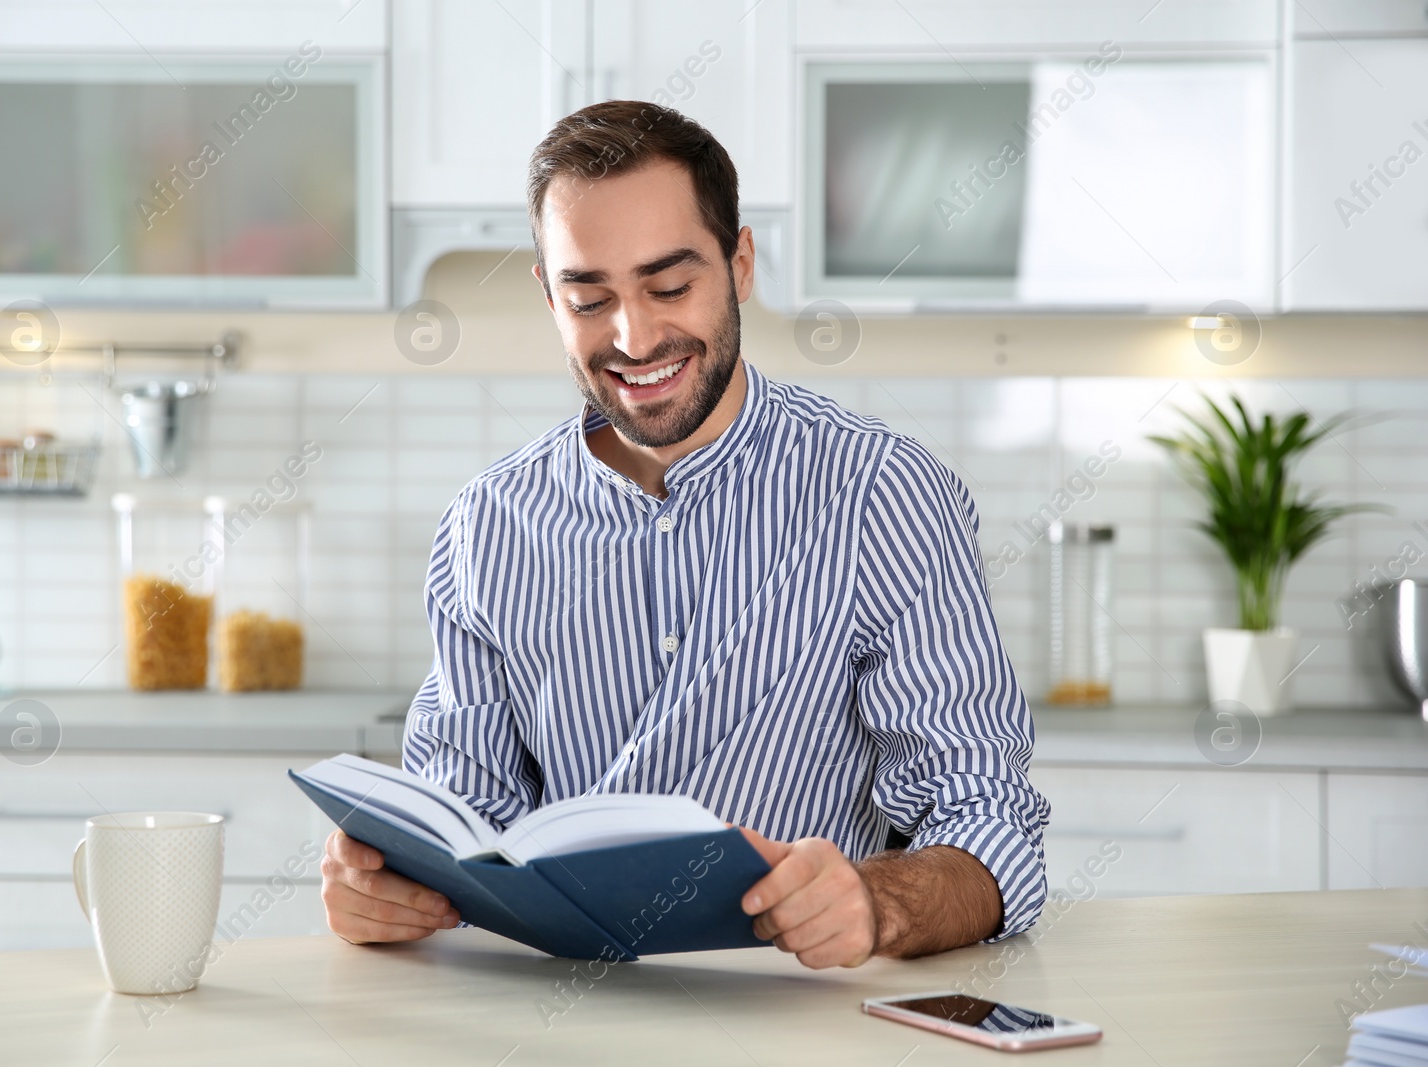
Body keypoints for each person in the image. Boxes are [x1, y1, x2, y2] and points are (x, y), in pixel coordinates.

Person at [322, 100, 1048, 970]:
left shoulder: (882, 494)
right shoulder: (488, 524)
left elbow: (991, 821)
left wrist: (876, 903)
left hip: (800, 1018)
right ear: (550, 298)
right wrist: (385, 889)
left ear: (740, 264)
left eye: (670, 287)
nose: (634, 337)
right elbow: (460, 824)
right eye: (590, 297)